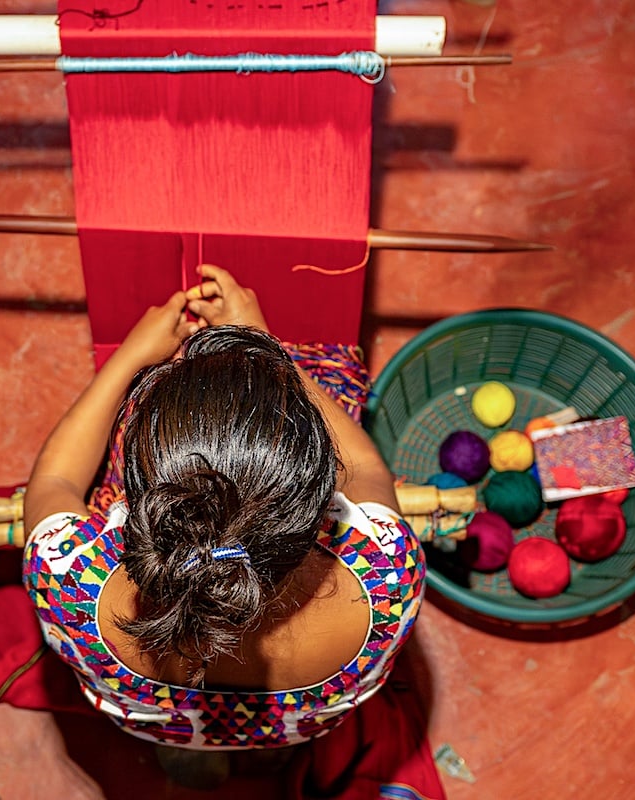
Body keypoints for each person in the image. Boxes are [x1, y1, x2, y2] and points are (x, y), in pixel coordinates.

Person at [21, 265, 424, 781]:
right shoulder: (388, 578)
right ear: (318, 503)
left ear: (141, 493)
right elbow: (366, 468)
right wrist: (265, 349)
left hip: (156, 721)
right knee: (282, 739)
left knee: (181, 744)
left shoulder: (69, 586)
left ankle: (186, 753)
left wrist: (129, 359)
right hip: (301, 722)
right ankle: (273, 750)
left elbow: (55, 480)